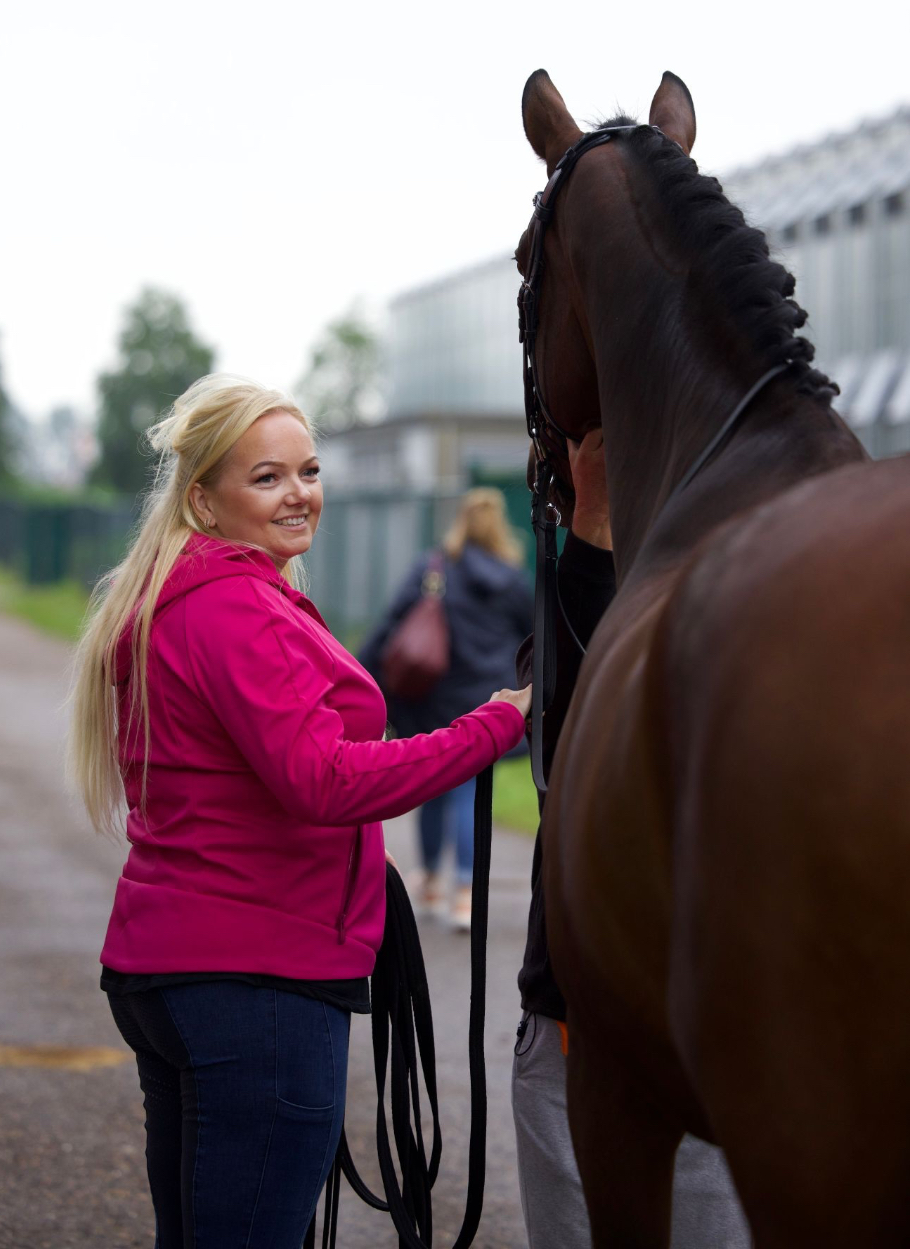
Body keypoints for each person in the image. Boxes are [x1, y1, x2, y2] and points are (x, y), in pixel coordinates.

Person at [67, 374, 529, 1249]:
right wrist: (492, 725)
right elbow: (324, 780)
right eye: (267, 477)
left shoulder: (190, 595)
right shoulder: (234, 605)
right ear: (203, 500)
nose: (299, 494)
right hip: (254, 979)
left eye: (308, 471)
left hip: (187, 966)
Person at [512, 432, 750, 1249]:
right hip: (584, 1021)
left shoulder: (746, 618)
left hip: (697, 1026)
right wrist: (589, 538)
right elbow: (558, 712)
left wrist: (592, 532)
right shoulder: (576, 607)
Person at [358, 487, 532, 929]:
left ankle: (433, 884)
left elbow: (391, 623)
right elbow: (535, 633)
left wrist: (361, 673)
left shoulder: (431, 569)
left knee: (434, 786)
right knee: (470, 791)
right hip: (490, 697)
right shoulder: (511, 579)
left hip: (435, 696)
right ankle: (465, 897)